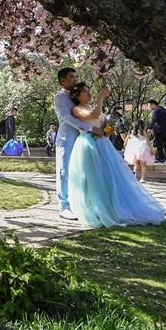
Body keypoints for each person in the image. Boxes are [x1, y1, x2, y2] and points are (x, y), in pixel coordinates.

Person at [66, 82, 165, 228]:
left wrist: (108, 129)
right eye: (84, 91)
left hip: (102, 143)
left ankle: (113, 206)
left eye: (88, 90)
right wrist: (100, 98)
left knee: (108, 174)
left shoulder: (91, 107)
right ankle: (97, 208)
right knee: (93, 177)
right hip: (88, 144)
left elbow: (104, 123)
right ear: (77, 95)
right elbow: (93, 115)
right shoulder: (76, 109)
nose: (88, 93)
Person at [53, 67, 100, 220]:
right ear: (63, 80)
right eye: (71, 77)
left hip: (82, 138)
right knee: (64, 170)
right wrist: (89, 128)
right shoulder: (60, 97)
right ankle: (64, 206)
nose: (75, 80)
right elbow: (66, 117)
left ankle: (79, 203)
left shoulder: (75, 96)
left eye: (75, 77)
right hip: (66, 138)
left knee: (79, 171)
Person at [149, 99, 166, 163]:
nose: (149, 107)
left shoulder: (156, 111)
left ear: (153, 104)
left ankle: (161, 158)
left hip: (159, 130)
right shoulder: (164, 110)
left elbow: (154, 120)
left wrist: (149, 128)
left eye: (149, 105)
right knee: (165, 144)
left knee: (159, 145)